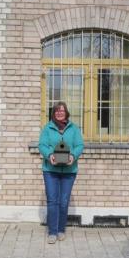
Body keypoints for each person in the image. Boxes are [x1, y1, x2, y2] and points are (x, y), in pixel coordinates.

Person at [38, 101, 84, 244]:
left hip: (69, 171)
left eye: (62, 111)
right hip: (50, 170)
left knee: (63, 202)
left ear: (66, 113)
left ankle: (61, 230)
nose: (59, 113)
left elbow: (79, 145)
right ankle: (52, 232)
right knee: (52, 200)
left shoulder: (74, 129)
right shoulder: (47, 128)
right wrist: (49, 155)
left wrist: (73, 156)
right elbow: (42, 145)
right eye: (57, 111)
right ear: (54, 113)